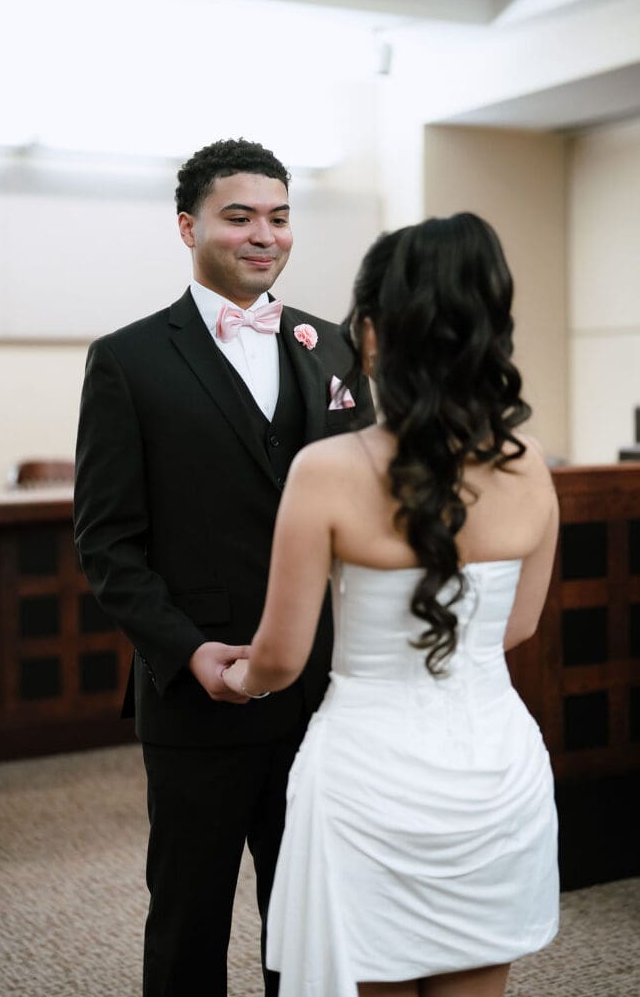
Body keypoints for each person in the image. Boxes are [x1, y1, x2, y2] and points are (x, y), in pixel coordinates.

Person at [222, 213, 560, 997]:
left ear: (372, 336)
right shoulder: (529, 463)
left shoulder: (327, 469)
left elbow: (279, 657)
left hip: (368, 784)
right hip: (493, 775)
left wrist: (235, 679)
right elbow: (519, 626)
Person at [73, 138, 374, 997]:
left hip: (325, 689)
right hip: (199, 691)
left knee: (311, 916)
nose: (263, 235)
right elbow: (106, 541)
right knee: (188, 917)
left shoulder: (333, 345)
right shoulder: (127, 360)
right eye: (238, 216)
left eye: (278, 217)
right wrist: (187, 649)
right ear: (187, 226)